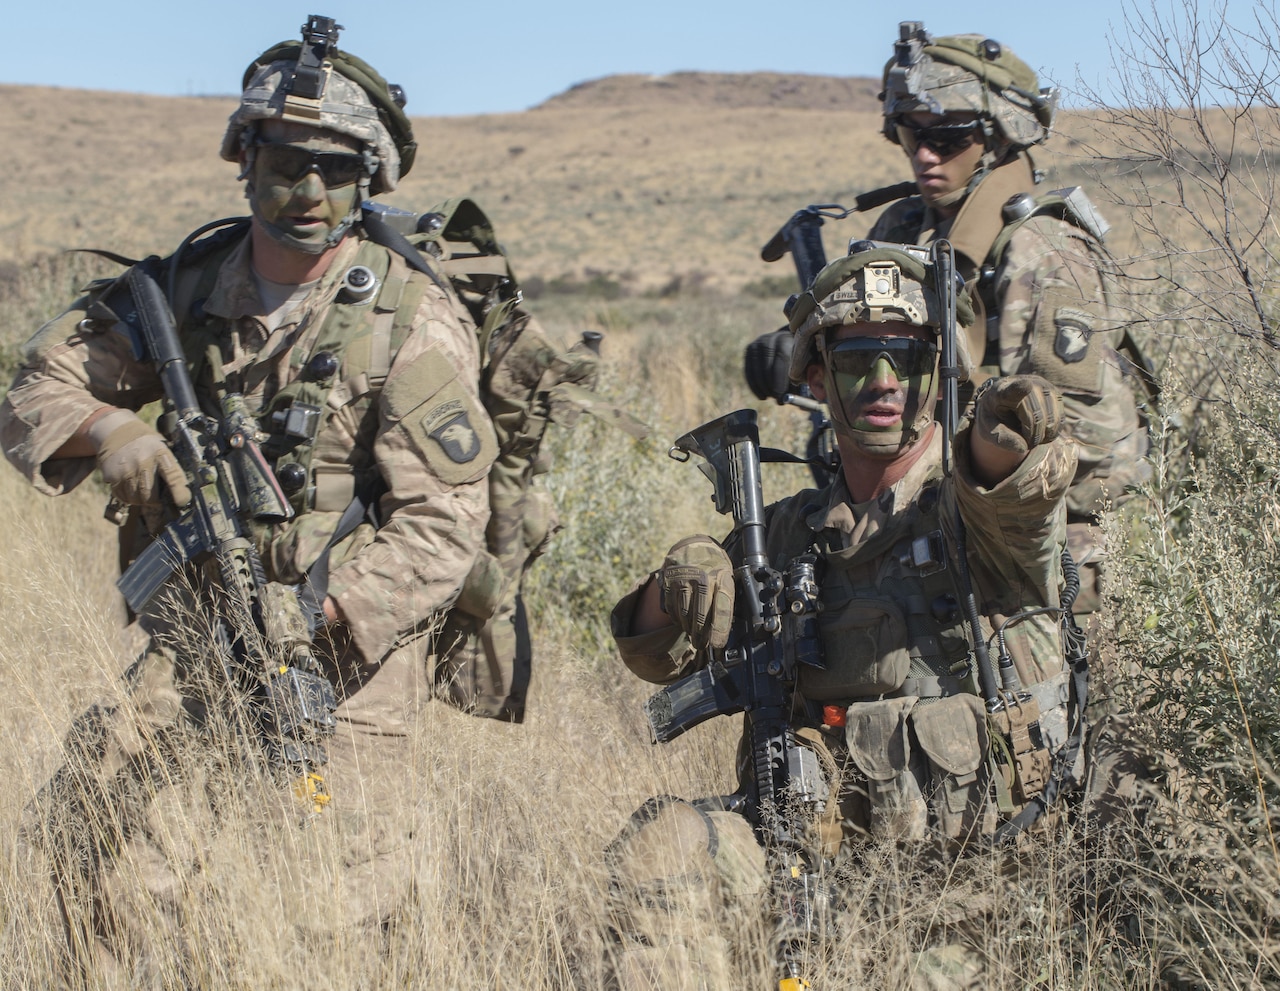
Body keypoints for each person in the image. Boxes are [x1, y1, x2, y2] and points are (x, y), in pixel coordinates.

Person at [0, 15, 582, 981]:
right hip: (196, 649)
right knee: (84, 851)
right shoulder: (183, 287)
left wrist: (317, 617)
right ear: (244, 162)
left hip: (341, 671)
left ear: (370, 182)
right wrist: (117, 433)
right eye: (284, 164)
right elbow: (33, 391)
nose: (308, 192)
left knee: (321, 920)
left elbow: (443, 526)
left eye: (337, 170)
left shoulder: (409, 316)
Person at [608, 243, 1086, 989]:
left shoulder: (974, 516)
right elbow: (649, 655)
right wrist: (680, 581)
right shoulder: (787, 536)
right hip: (805, 868)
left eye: (909, 359)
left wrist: (1000, 434)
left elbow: (1014, 487)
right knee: (662, 846)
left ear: (940, 373)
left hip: (968, 898)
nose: (886, 382)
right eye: (861, 359)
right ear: (816, 374)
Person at [868, 22, 1150, 623]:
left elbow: (1087, 446)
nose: (923, 153)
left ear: (997, 137)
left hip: (1051, 528)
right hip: (944, 504)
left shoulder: (1042, 253)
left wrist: (970, 455)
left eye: (947, 136)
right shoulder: (903, 231)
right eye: (909, 132)